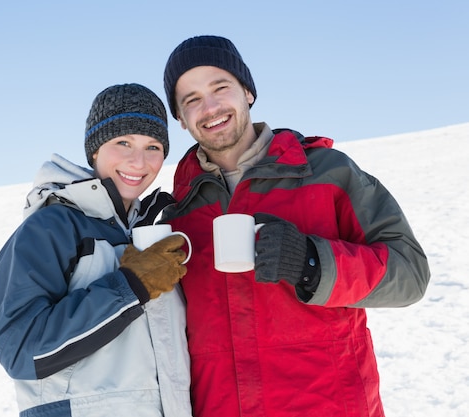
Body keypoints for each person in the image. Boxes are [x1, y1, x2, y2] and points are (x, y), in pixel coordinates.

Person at [160, 35, 431, 417]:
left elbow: (410, 274)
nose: (210, 107)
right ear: (181, 120)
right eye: (191, 100)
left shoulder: (328, 173)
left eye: (221, 88)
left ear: (247, 92)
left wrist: (312, 263)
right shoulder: (177, 212)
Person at [0, 83, 192, 417]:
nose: (139, 160)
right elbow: (20, 350)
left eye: (153, 146)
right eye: (123, 142)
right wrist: (130, 288)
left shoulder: (152, 233)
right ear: (94, 149)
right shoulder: (51, 227)